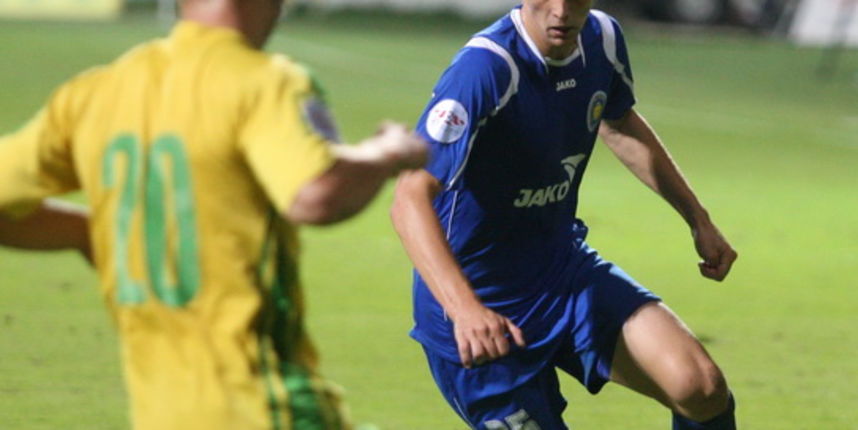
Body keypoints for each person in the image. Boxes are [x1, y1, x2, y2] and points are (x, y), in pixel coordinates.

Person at [0, 0, 427, 428]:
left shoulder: (96, 93)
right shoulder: (264, 81)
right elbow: (317, 195)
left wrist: (91, 233)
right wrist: (386, 153)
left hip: (160, 414)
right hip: (261, 405)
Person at [391, 0, 739, 429]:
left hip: (563, 276)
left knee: (700, 387)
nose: (560, 11)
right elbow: (409, 197)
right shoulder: (486, 68)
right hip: (481, 308)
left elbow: (619, 123)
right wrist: (465, 310)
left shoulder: (602, 39)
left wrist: (698, 219)